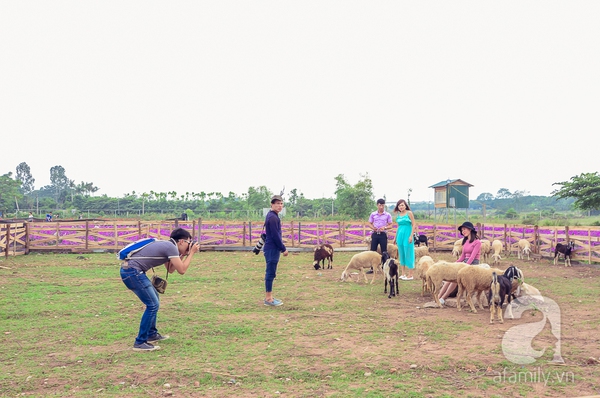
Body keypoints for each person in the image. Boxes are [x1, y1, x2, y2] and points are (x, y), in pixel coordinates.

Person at [120, 228, 199, 351]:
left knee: (154, 300)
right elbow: (182, 270)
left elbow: (170, 269)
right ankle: (140, 342)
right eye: (189, 243)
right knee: (152, 305)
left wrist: (183, 254)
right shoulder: (170, 247)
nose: (190, 246)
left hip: (131, 271)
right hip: (133, 272)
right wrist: (192, 253)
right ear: (182, 241)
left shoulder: (168, 246)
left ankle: (151, 334)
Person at [438, 221, 481, 305]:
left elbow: (472, 257)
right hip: (464, 263)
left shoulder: (477, 242)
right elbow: (462, 257)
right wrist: (454, 264)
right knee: (449, 279)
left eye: (464, 229)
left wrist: (464, 266)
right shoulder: (465, 242)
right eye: (462, 230)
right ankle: (438, 296)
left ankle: (444, 297)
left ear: (470, 230)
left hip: (473, 264)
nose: (463, 231)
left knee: (455, 279)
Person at [263, 195, 288, 306]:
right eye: (277, 203)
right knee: (270, 273)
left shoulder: (272, 215)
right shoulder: (273, 217)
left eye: (281, 203)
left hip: (271, 248)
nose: (279, 206)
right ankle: (268, 299)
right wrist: (283, 248)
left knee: (271, 272)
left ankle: (270, 296)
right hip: (272, 248)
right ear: (272, 204)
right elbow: (275, 236)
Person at [367, 198, 393, 273]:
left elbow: (391, 225)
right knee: (372, 250)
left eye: (382, 205)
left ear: (384, 205)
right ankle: (372, 268)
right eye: (380, 205)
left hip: (383, 234)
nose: (381, 207)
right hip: (375, 234)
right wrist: (373, 228)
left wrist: (385, 227)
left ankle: (384, 267)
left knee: (384, 251)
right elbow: (369, 223)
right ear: (377, 205)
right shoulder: (373, 214)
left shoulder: (387, 215)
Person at [393, 199, 416, 280]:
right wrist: (395, 237)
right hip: (400, 235)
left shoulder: (409, 213)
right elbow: (398, 227)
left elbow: (413, 224)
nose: (401, 207)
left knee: (408, 253)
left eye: (402, 205)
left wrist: (411, 236)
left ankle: (410, 274)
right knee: (401, 253)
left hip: (408, 235)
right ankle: (403, 273)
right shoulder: (399, 215)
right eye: (399, 206)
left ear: (405, 205)